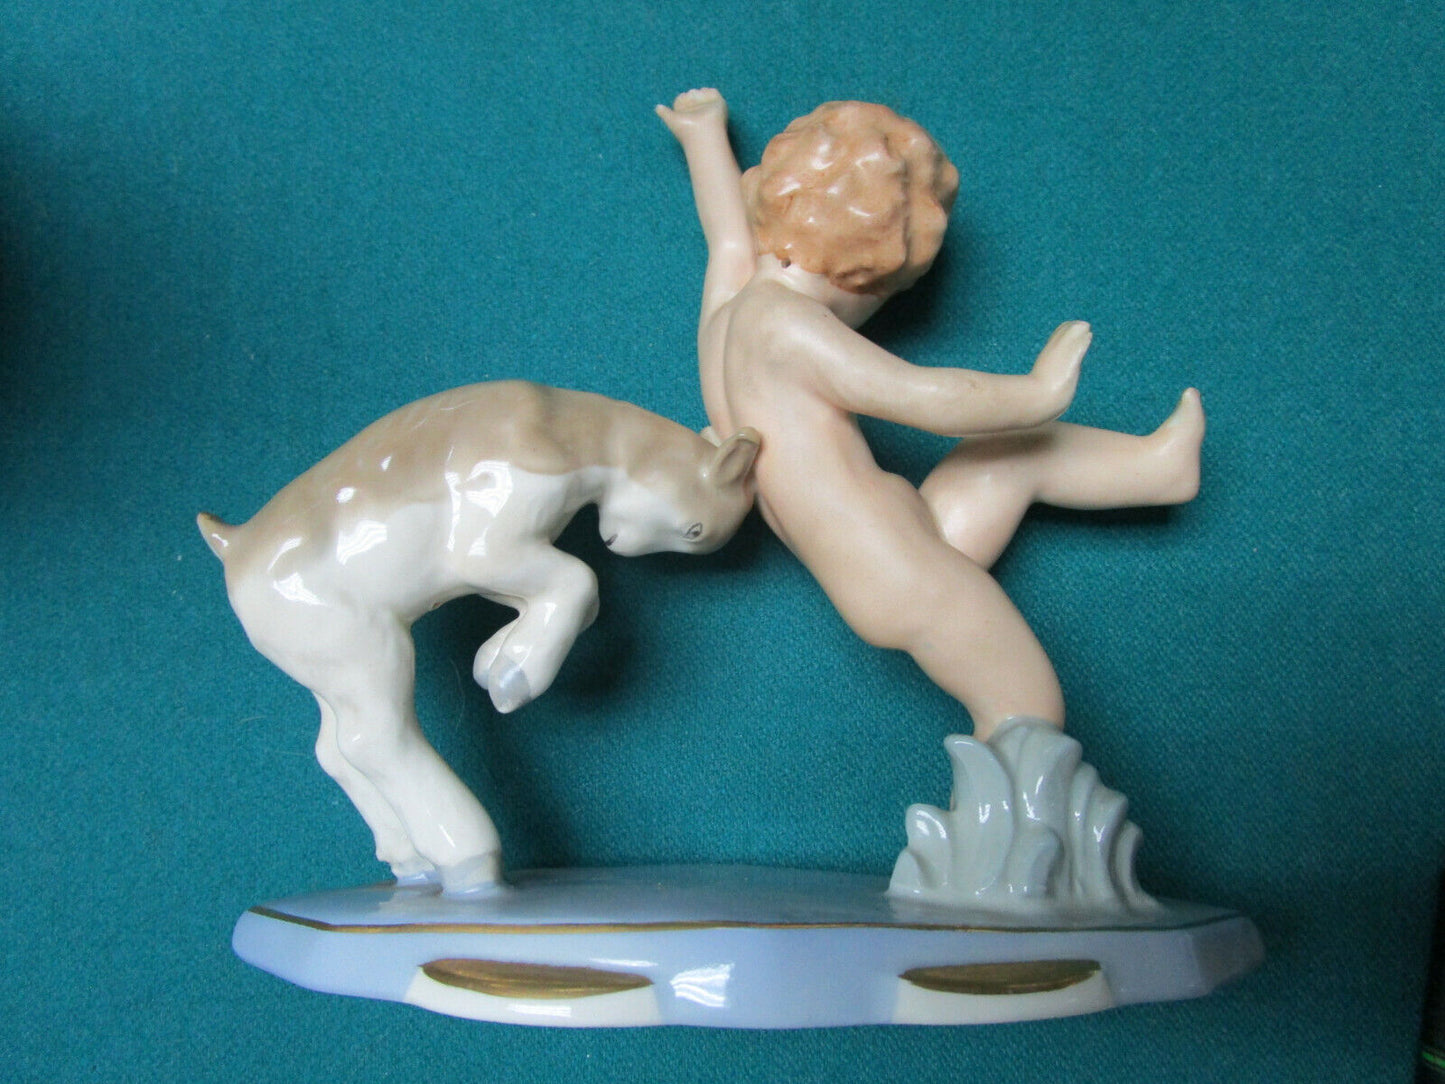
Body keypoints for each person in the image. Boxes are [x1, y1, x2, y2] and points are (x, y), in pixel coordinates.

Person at [658, 89, 1204, 741]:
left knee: (1008, 460)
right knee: (1024, 707)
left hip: (902, 544)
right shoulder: (790, 329)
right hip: (901, 570)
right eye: (884, 291)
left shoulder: (730, 315)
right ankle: (1015, 805)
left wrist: (703, 138)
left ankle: (1156, 467)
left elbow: (726, 239)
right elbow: (926, 398)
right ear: (859, 269)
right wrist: (1039, 391)